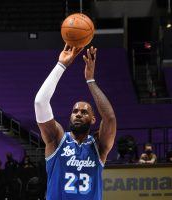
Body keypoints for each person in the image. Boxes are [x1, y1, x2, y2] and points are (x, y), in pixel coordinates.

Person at [34, 45, 117, 200]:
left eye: (84, 112)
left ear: (93, 120)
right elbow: (40, 102)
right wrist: (61, 65)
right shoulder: (57, 139)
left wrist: (90, 80)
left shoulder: (99, 145)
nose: (78, 114)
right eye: (75, 111)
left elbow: (110, 118)